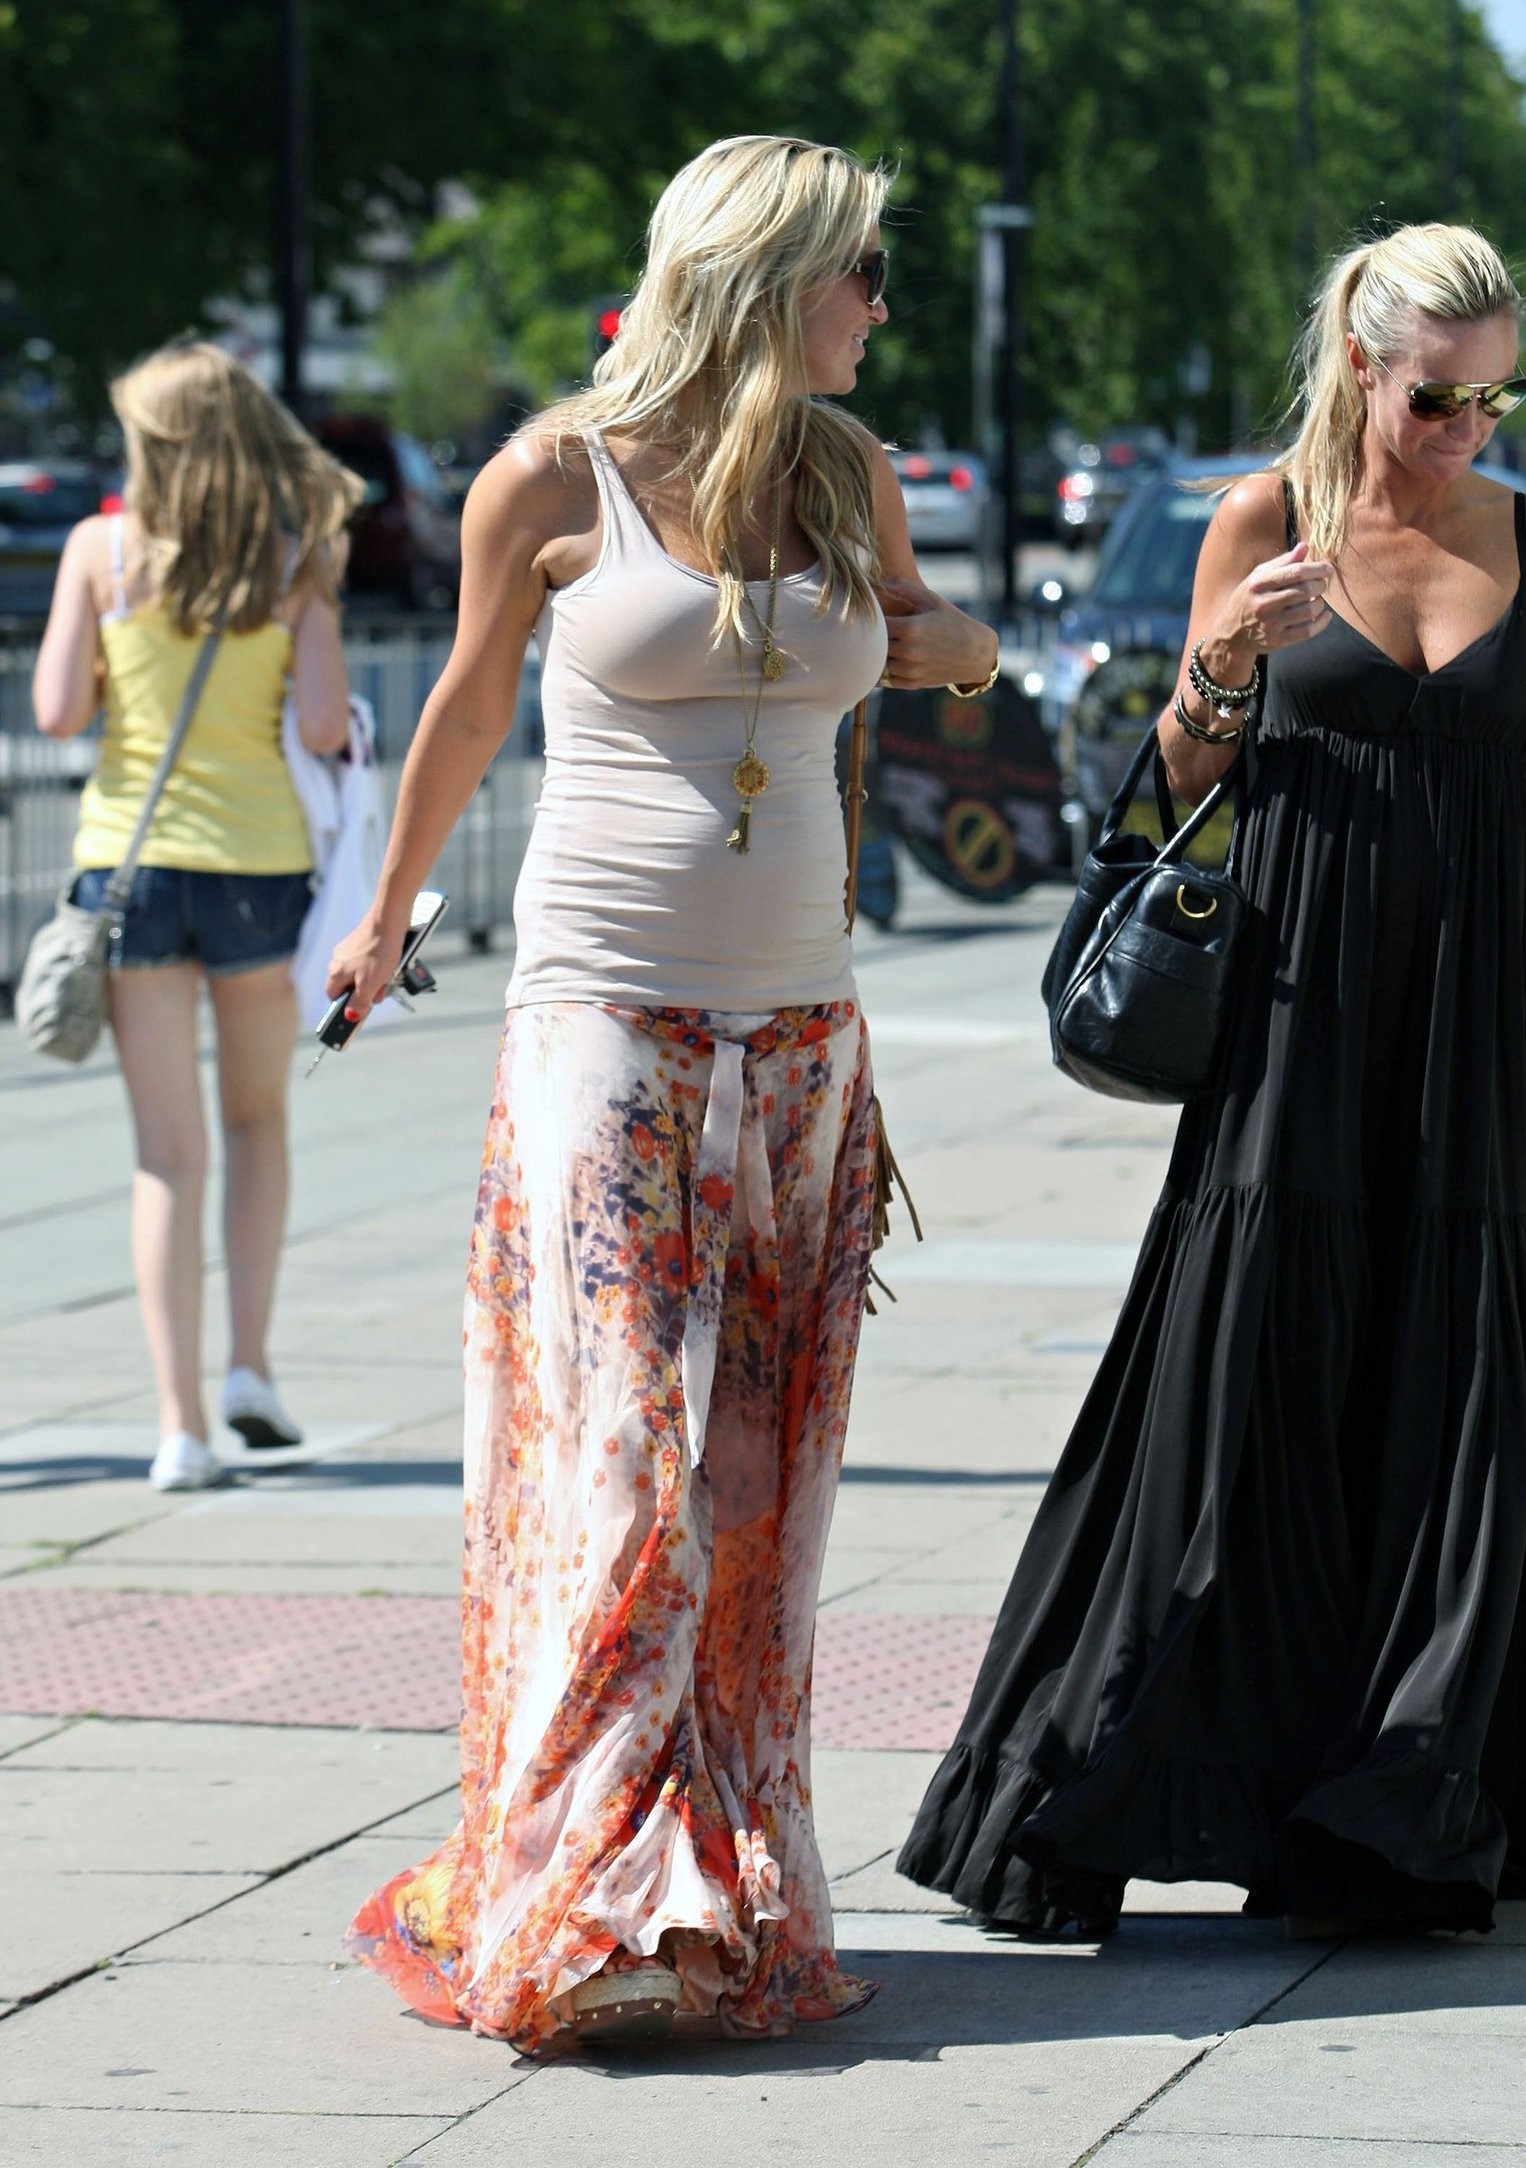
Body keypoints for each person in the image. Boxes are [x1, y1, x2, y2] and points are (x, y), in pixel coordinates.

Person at [334, 133, 999, 2051]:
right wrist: (383, 917)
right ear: (768, 272)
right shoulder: (558, 473)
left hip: (801, 1035)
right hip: (603, 1021)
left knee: (759, 1486)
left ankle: (720, 1887)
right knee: (625, 1461)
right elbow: (467, 702)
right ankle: (584, 1884)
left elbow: (921, 629)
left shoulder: (841, 469)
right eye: (861, 268)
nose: (881, 301)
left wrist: (936, 644)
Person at [900, 222, 1526, 1939]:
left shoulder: (1519, 531)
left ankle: (1401, 1793)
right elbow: (1178, 773)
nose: (1467, 428)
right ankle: (1115, 1768)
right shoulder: (1264, 522)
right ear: (1356, 363)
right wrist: (1228, 663)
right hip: (1299, 1013)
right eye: (1435, 397)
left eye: (1495, 396)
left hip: (1475, 1023)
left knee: (1448, 1389)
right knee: (1249, 1379)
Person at [32, 341, 361, 1492]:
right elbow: (323, 725)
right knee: (257, 1124)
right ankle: (251, 1368)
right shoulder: (296, 556)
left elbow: (60, 708)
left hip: (128, 877)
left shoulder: (98, 551)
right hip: (260, 875)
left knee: (164, 1155)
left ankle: (178, 1429)